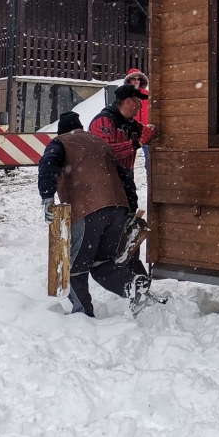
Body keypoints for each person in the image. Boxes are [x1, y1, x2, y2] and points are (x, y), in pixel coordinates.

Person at [38, 111, 151, 316]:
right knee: (102, 263)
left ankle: (82, 315)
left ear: (62, 130)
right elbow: (125, 177)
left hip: (88, 208)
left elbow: (47, 164)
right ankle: (134, 286)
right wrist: (129, 210)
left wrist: (47, 198)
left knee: (74, 268)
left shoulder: (61, 142)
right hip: (118, 208)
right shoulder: (100, 143)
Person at [89, 84, 156, 213]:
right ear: (128, 101)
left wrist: (151, 131)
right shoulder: (104, 120)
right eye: (139, 101)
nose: (141, 106)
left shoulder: (130, 123)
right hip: (105, 179)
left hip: (125, 177)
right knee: (113, 216)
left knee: (129, 212)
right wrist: (138, 143)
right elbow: (106, 151)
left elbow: (146, 132)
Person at [124, 68, 152, 177]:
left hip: (144, 130)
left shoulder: (147, 94)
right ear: (129, 80)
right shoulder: (124, 95)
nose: (136, 81)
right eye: (133, 79)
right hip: (129, 131)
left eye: (138, 79)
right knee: (127, 163)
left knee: (149, 162)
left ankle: (150, 183)